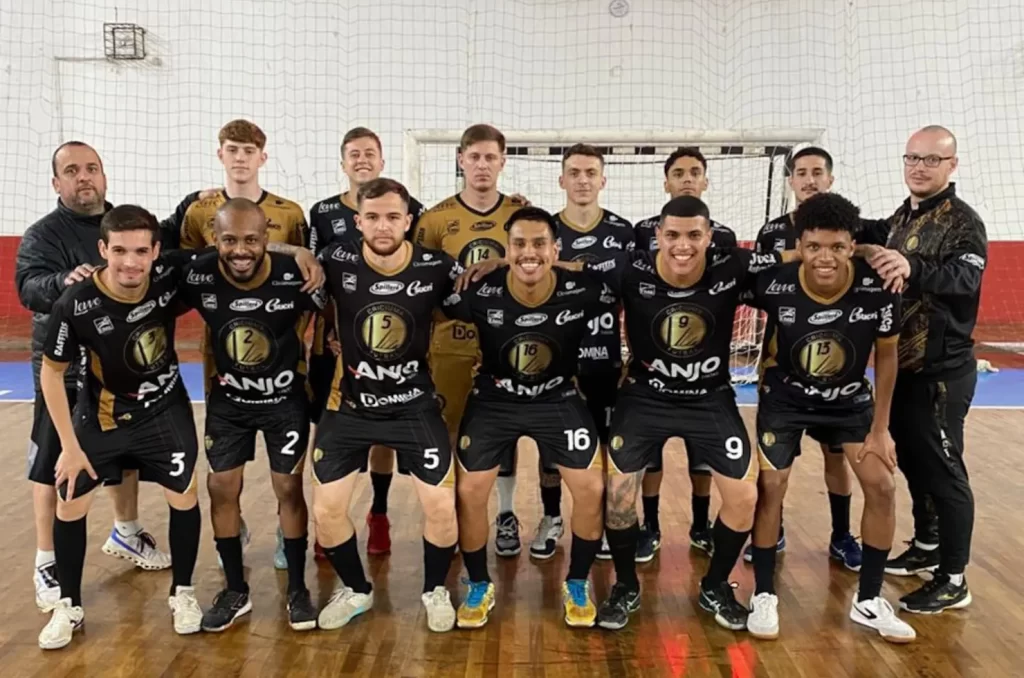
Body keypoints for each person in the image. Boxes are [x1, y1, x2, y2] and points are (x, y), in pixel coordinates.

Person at [567, 196, 782, 631]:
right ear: (658, 237)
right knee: (619, 493)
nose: (682, 245)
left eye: (693, 235)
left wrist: (866, 250)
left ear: (709, 237)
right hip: (645, 398)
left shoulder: (733, 266)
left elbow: (798, 257)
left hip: (711, 397)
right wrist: (495, 265)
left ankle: (715, 584)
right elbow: (568, 271)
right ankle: (625, 585)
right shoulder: (631, 269)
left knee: (744, 496)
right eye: (672, 235)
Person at [15, 141, 199, 611]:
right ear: (56, 183)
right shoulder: (43, 235)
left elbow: (167, 238)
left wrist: (196, 198)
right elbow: (27, 287)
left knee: (126, 454)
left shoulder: (123, 222)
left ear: (104, 176)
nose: (84, 177)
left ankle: (127, 532)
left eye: (91, 168)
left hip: (122, 367)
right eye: (72, 171)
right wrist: (63, 281)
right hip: (62, 367)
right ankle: (46, 559)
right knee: (58, 463)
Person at [745, 192, 915, 643]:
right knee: (771, 485)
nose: (825, 257)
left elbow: (888, 357)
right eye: (815, 246)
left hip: (850, 403)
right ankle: (764, 594)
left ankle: (869, 600)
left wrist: (881, 430)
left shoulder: (878, 287)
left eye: (838, 247)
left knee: (881, 485)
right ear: (800, 244)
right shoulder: (774, 282)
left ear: (851, 245)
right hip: (785, 399)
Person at [36, 205, 206, 649]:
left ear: (155, 251)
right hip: (103, 418)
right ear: (102, 250)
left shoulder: (170, 275)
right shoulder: (76, 303)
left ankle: (183, 593)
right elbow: (51, 374)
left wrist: (298, 254)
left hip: (164, 411)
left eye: (139, 251)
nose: (130, 262)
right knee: (69, 500)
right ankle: (67, 605)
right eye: (119, 251)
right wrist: (70, 449)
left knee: (183, 495)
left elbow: (236, 253)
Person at [443, 206, 606, 629]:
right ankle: (479, 583)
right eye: (518, 244)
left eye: (539, 244)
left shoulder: (584, 287)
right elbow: (429, 299)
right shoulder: (479, 290)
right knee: (470, 489)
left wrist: (532, 259)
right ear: (505, 248)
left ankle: (576, 582)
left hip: (558, 397)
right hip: (495, 399)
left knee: (590, 487)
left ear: (556, 249)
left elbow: (615, 277)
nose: (528, 252)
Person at [311, 178, 461, 633]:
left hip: (413, 405)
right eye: (372, 217)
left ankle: (435, 589)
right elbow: (288, 271)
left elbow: (491, 288)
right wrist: (297, 253)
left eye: (393, 217)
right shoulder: (335, 259)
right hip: (351, 407)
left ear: (408, 221)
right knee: (326, 511)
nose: (382, 226)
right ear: (358, 221)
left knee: (440, 505)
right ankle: (357, 589)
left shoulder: (437, 267)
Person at [177, 198, 325, 632]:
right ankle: (236, 589)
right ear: (214, 240)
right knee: (221, 487)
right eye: (228, 240)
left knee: (288, 487)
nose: (239, 250)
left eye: (250, 240)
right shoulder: (197, 272)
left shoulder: (294, 274)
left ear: (266, 240)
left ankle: (297, 588)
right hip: (228, 404)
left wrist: (296, 252)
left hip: (285, 402)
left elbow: (338, 313)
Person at [864, 125, 986, 613]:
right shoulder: (901, 216)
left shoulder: (963, 221)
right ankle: (928, 545)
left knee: (946, 471)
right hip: (904, 370)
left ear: (951, 165)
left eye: (931, 160)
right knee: (914, 463)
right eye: (912, 157)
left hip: (943, 372)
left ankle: (954, 578)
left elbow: (966, 277)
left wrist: (913, 267)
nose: (919, 166)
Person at [179, 118, 309, 569]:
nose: (239, 158)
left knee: (287, 480)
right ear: (220, 154)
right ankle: (232, 545)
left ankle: (285, 533)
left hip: (282, 359)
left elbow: (306, 278)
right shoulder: (197, 212)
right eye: (231, 149)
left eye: (248, 150)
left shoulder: (290, 213)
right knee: (222, 481)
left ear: (261, 157)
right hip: (223, 355)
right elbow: (182, 264)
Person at [307, 126, 427, 557]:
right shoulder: (320, 212)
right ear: (343, 162)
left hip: (388, 338)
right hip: (335, 342)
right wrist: (331, 332)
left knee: (382, 432)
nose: (362, 160)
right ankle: (329, 522)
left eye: (370, 153)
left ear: (381, 161)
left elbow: (415, 271)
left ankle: (378, 512)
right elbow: (314, 275)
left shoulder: (409, 208)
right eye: (353, 154)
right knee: (331, 421)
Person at [413, 124, 529, 557]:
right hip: (449, 345)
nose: (482, 165)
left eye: (490, 158)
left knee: (505, 432)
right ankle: (450, 517)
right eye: (474, 157)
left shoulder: (519, 216)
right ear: (461, 160)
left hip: (505, 343)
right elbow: (418, 285)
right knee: (449, 432)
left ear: (502, 162)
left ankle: (505, 513)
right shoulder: (434, 219)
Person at [749, 145, 862, 570]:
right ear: (791, 181)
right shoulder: (773, 231)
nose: (810, 179)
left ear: (830, 179)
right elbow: (755, 274)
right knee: (779, 462)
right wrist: (791, 256)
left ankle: (841, 535)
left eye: (818, 172)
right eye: (802, 172)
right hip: (785, 366)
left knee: (837, 457)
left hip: (837, 369)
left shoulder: (853, 228)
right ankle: (772, 529)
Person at [632, 148, 738, 557]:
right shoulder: (640, 232)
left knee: (702, 453)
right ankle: (651, 524)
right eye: (679, 173)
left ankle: (700, 522)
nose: (687, 179)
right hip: (653, 367)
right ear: (666, 182)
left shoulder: (723, 237)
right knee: (650, 453)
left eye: (695, 172)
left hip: (704, 367)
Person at [533, 144, 635, 562]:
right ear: (561, 179)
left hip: (606, 359)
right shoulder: (544, 230)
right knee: (551, 449)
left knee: (608, 447)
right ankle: (552, 516)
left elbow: (638, 297)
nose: (582, 180)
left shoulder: (624, 232)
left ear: (602, 180)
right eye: (574, 172)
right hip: (557, 361)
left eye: (590, 172)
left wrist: (635, 357)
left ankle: (609, 523)